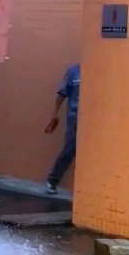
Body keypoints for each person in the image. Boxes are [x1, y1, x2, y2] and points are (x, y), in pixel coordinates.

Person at [45, 62, 80, 194]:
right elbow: (61, 94)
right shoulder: (74, 72)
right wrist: (54, 114)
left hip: (92, 120)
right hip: (74, 118)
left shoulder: (97, 72)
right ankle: (52, 181)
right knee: (68, 151)